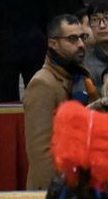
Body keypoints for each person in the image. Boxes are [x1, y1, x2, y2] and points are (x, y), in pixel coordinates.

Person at [22, 15, 95, 189]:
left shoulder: (80, 78)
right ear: (53, 43)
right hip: (57, 192)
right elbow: (41, 153)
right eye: (72, 39)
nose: (81, 44)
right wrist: (59, 194)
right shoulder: (42, 84)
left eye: (82, 37)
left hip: (83, 185)